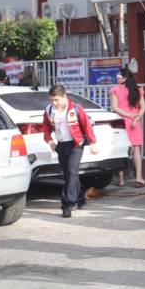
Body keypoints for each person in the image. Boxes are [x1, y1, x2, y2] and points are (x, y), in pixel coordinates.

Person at [42, 84, 98, 218]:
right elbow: (45, 127)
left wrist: (93, 143)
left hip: (76, 145)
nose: (54, 103)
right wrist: (50, 142)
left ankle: (67, 204)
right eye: (52, 100)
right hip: (61, 145)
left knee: (72, 172)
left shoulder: (76, 108)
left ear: (64, 96)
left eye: (57, 100)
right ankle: (79, 198)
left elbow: (86, 126)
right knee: (68, 174)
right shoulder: (49, 110)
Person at [110, 68, 145, 187]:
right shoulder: (137, 89)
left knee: (121, 149)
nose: (117, 77)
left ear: (125, 78)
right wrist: (136, 117)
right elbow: (143, 107)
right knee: (136, 150)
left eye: (119, 76)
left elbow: (115, 108)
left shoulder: (115, 90)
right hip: (134, 122)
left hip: (121, 122)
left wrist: (129, 116)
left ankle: (121, 180)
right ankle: (139, 177)